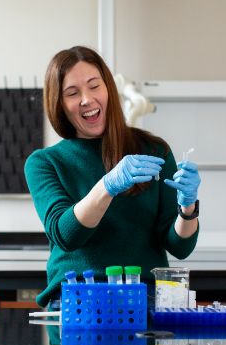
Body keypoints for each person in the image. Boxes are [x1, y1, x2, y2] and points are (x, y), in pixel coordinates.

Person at [25, 46, 200, 308]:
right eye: (72, 93)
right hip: (77, 300)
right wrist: (106, 186)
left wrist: (188, 207)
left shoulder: (154, 150)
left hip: (147, 299)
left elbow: (179, 247)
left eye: (94, 86)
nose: (86, 99)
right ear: (59, 105)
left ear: (108, 88)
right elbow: (66, 235)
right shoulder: (45, 163)